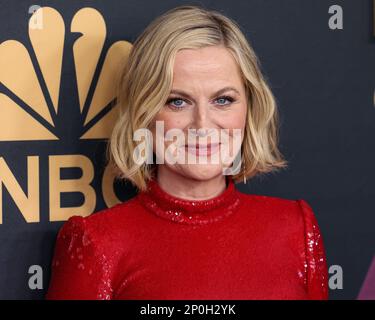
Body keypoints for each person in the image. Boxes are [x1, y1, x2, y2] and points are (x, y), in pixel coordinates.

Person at [46, 5, 328, 300]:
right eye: (178, 102)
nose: (202, 125)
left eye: (223, 99)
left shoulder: (296, 227)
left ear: (250, 107)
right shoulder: (96, 242)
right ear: (144, 114)